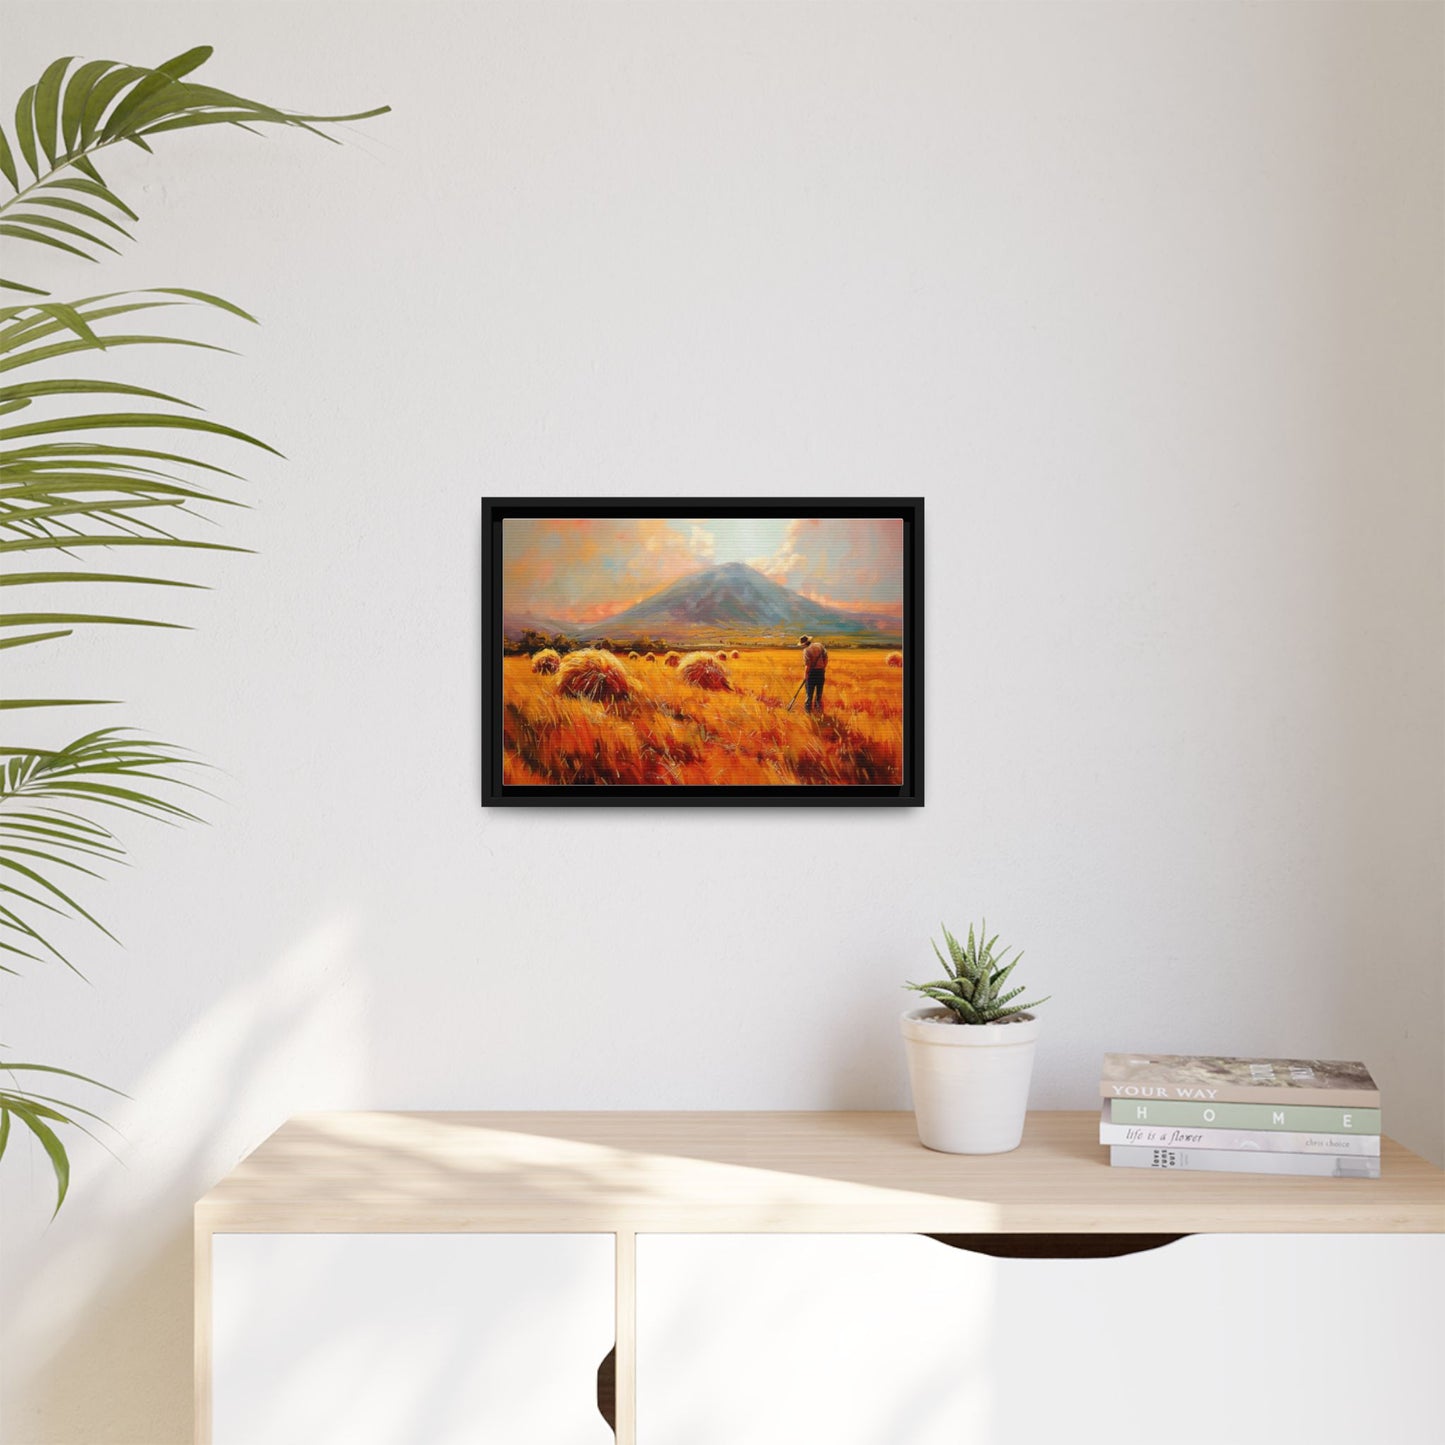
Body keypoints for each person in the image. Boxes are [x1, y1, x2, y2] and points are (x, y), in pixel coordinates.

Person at [799, 633, 828, 714]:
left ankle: (808, 713)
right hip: (821, 672)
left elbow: (807, 665)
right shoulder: (820, 646)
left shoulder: (806, 650)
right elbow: (826, 659)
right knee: (819, 694)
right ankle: (818, 711)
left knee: (809, 694)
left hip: (811, 674)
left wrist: (805, 676)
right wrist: (822, 668)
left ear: (804, 644)